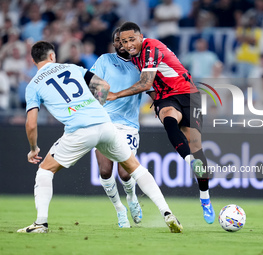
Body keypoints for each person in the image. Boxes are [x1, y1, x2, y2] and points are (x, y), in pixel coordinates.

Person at [17, 41, 182, 234]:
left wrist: (34, 148)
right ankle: (167, 212)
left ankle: (41, 223)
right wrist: (93, 106)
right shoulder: (72, 68)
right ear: (52, 56)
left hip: (78, 131)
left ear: (33, 59)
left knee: (45, 170)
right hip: (105, 123)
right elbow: (103, 86)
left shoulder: (34, 85)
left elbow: (31, 123)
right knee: (135, 168)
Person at [108, 22, 215, 224]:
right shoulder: (134, 57)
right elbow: (150, 86)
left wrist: (116, 95)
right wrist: (155, 100)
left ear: (140, 37)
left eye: (131, 39)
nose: (128, 44)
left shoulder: (151, 47)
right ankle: (190, 161)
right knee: (168, 117)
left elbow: (146, 82)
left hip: (189, 94)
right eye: (124, 41)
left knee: (196, 144)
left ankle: (205, 198)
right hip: (166, 98)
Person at [90, 28, 143, 228]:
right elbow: (93, 84)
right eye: (117, 41)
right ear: (114, 43)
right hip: (103, 122)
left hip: (128, 126)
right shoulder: (104, 60)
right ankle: (120, 210)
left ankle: (131, 198)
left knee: (125, 174)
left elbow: (150, 89)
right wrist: (99, 103)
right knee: (105, 171)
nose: (121, 44)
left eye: (125, 40)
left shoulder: (141, 64)